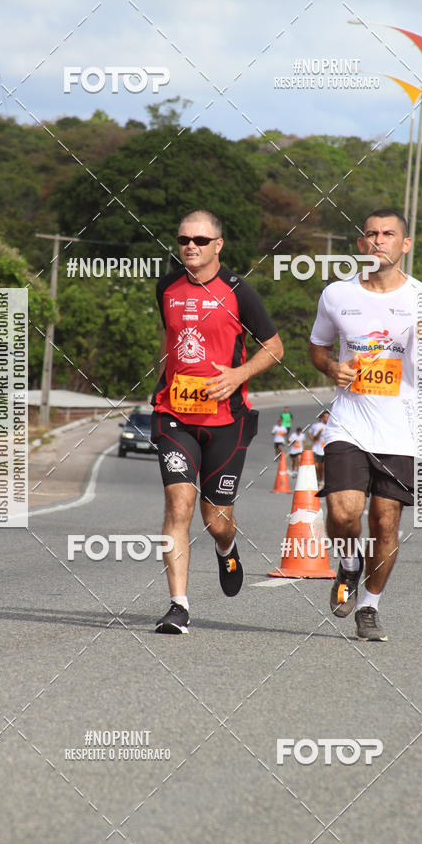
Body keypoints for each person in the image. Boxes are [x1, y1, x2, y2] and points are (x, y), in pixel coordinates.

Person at [309, 209, 422, 641]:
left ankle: (370, 605)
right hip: (349, 424)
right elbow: (318, 347)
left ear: (405, 244)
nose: (379, 240)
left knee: (384, 523)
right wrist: (331, 367)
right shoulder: (337, 295)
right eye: (372, 234)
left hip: (404, 431)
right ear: (362, 244)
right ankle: (349, 563)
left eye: (389, 234)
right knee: (343, 513)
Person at [151, 209, 283, 633]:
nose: (191, 246)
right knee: (178, 504)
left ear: (218, 245)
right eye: (184, 239)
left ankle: (227, 549)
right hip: (174, 414)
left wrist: (237, 375)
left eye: (201, 240)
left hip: (227, 419)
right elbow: (170, 338)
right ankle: (178, 605)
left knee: (215, 518)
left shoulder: (240, 292)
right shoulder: (166, 287)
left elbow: (275, 347)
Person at [308, 410, 329, 486]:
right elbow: (310, 433)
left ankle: (321, 481)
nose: (327, 419)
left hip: (325, 450)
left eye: (328, 417)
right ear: (322, 418)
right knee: (316, 466)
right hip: (317, 449)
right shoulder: (317, 426)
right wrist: (313, 439)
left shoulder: (330, 426)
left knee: (322, 467)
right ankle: (317, 479)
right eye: (325, 417)